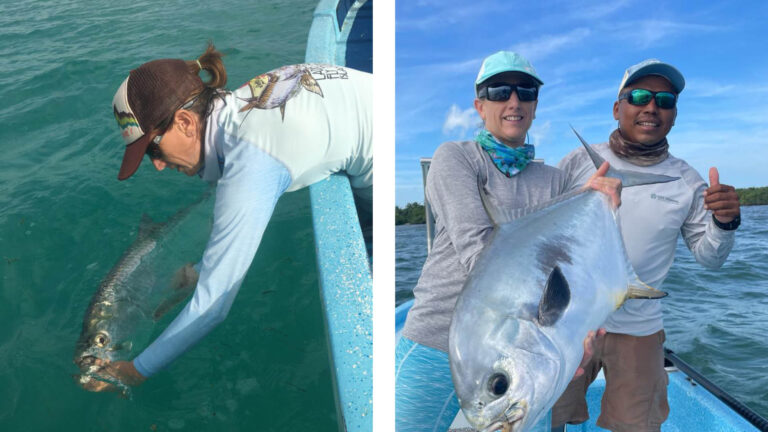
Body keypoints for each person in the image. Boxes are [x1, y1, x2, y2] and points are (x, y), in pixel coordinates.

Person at [84, 43, 372, 391]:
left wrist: (132, 372)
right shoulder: (240, 104)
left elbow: (213, 306)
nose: (158, 165)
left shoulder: (250, 157)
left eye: (153, 150)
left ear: (186, 122)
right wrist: (197, 273)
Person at [395, 51, 620, 431]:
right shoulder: (457, 158)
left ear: (534, 106)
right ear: (479, 106)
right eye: (499, 91)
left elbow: (566, 267)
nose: (513, 101)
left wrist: (572, 337)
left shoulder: (556, 181)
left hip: (523, 355)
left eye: (525, 91)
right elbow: (478, 250)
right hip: (435, 341)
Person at [552, 59, 740, 431]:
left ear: (673, 115)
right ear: (617, 108)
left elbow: (710, 257)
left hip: (639, 329)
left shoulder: (687, 181)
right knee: (549, 416)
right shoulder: (576, 162)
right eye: (638, 96)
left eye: (664, 100)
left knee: (636, 425)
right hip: (568, 320)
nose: (651, 106)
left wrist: (725, 222)